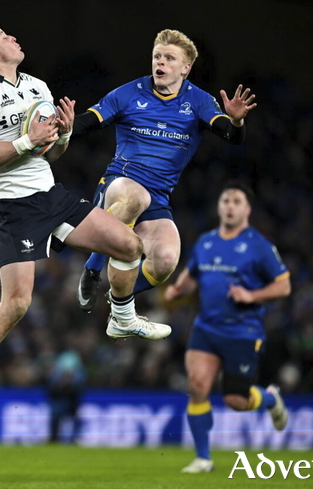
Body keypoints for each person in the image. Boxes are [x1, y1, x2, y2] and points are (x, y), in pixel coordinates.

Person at [0, 17, 171, 432]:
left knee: (129, 246)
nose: (14, 36)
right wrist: (29, 139)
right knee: (16, 303)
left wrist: (62, 135)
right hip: (15, 207)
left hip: (50, 195)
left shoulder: (36, 86)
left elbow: (48, 155)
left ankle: (121, 314)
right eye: (4, 36)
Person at [75, 29, 257, 313]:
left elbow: (232, 138)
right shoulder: (128, 93)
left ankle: (119, 297)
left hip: (158, 196)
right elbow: (88, 122)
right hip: (118, 185)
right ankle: (92, 269)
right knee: (135, 199)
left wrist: (236, 122)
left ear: (186, 68)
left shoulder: (198, 101)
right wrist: (62, 128)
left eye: (169, 58)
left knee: (166, 260)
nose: (160, 62)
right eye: (157, 56)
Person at [163, 181, 291, 473]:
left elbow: (284, 286)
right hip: (206, 329)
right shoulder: (206, 242)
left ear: (247, 209)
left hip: (243, 331)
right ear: (219, 207)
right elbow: (193, 274)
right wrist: (178, 290)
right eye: (225, 201)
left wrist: (252, 295)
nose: (230, 206)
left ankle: (270, 398)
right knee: (197, 386)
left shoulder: (259, 245)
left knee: (236, 400)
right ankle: (203, 458)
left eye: (236, 201)